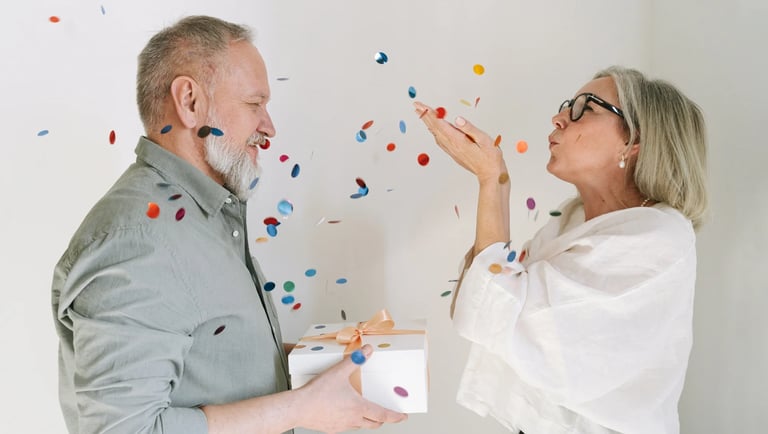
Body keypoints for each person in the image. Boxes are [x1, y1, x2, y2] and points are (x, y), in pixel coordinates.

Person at [52, 15, 407, 434]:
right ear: (189, 102)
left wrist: (325, 363)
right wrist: (298, 409)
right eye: (254, 104)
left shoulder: (208, 217)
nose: (268, 126)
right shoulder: (139, 241)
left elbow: (214, 361)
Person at [413, 66, 708, 434]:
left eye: (587, 107)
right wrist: (495, 181)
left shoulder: (659, 238)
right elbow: (481, 304)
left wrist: (492, 179)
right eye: (568, 104)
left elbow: (499, 311)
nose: (559, 117)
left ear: (635, 141)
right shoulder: (571, 220)